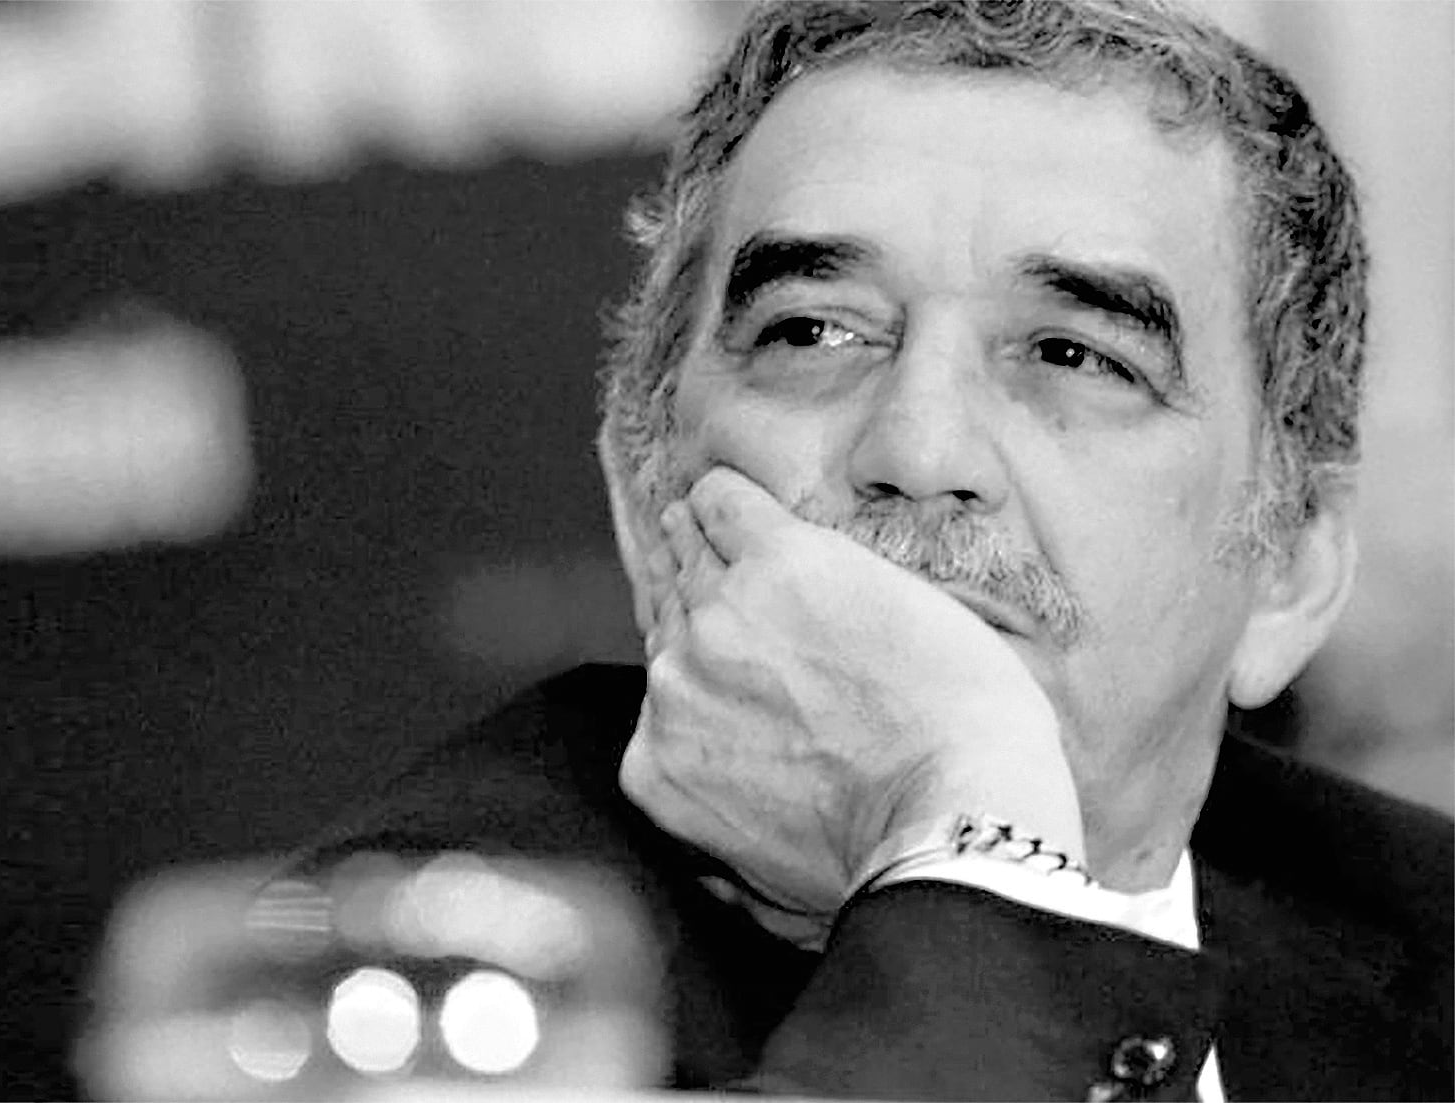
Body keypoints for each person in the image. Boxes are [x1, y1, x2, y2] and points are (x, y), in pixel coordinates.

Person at [82, 2, 1452, 1099]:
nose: (919, 448)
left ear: (1289, 568)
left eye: (1073, 355)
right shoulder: (451, 990)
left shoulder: (1418, 937)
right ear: (646, 504)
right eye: (812, 333)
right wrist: (972, 848)